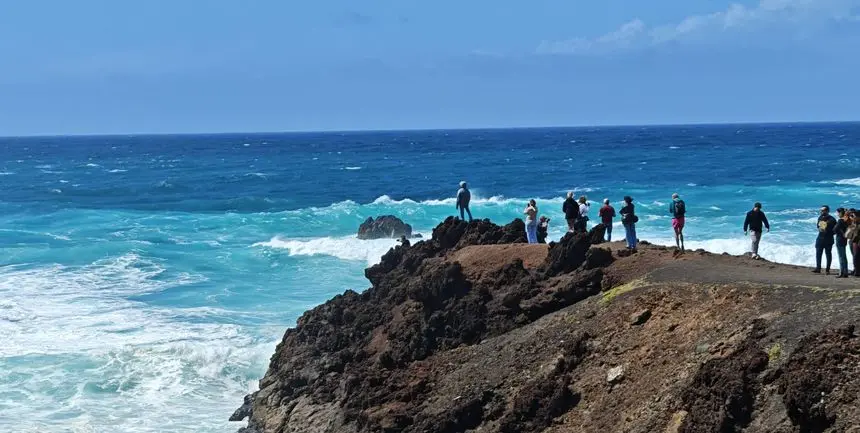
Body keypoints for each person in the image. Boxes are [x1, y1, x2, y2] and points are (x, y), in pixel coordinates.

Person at [813, 205, 837, 274]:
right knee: (818, 253)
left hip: (828, 239)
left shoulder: (832, 219)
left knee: (828, 254)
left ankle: (827, 269)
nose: (821, 211)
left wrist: (828, 232)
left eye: (823, 210)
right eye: (821, 210)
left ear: (827, 211)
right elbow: (818, 226)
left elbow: (835, 230)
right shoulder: (820, 217)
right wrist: (821, 226)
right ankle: (818, 268)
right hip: (820, 238)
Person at [834, 208, 850, 278]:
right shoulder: (846, 220)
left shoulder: (840, 220)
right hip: (844, 239)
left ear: (840, 213)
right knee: (844, 256)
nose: (837, 214)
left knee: (841, 256)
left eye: (837, 213)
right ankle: (845, 272)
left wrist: (838, 231)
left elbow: (834, 229)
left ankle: (841, 272)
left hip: (839, 239)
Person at [849, 209, 860, 277]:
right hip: (855, 241)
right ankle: (857, 270)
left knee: (856, 257)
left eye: (855, 215)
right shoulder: (854, 222)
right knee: (855, 257)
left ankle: (857, 271)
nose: (853, 216)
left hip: (856, 241)